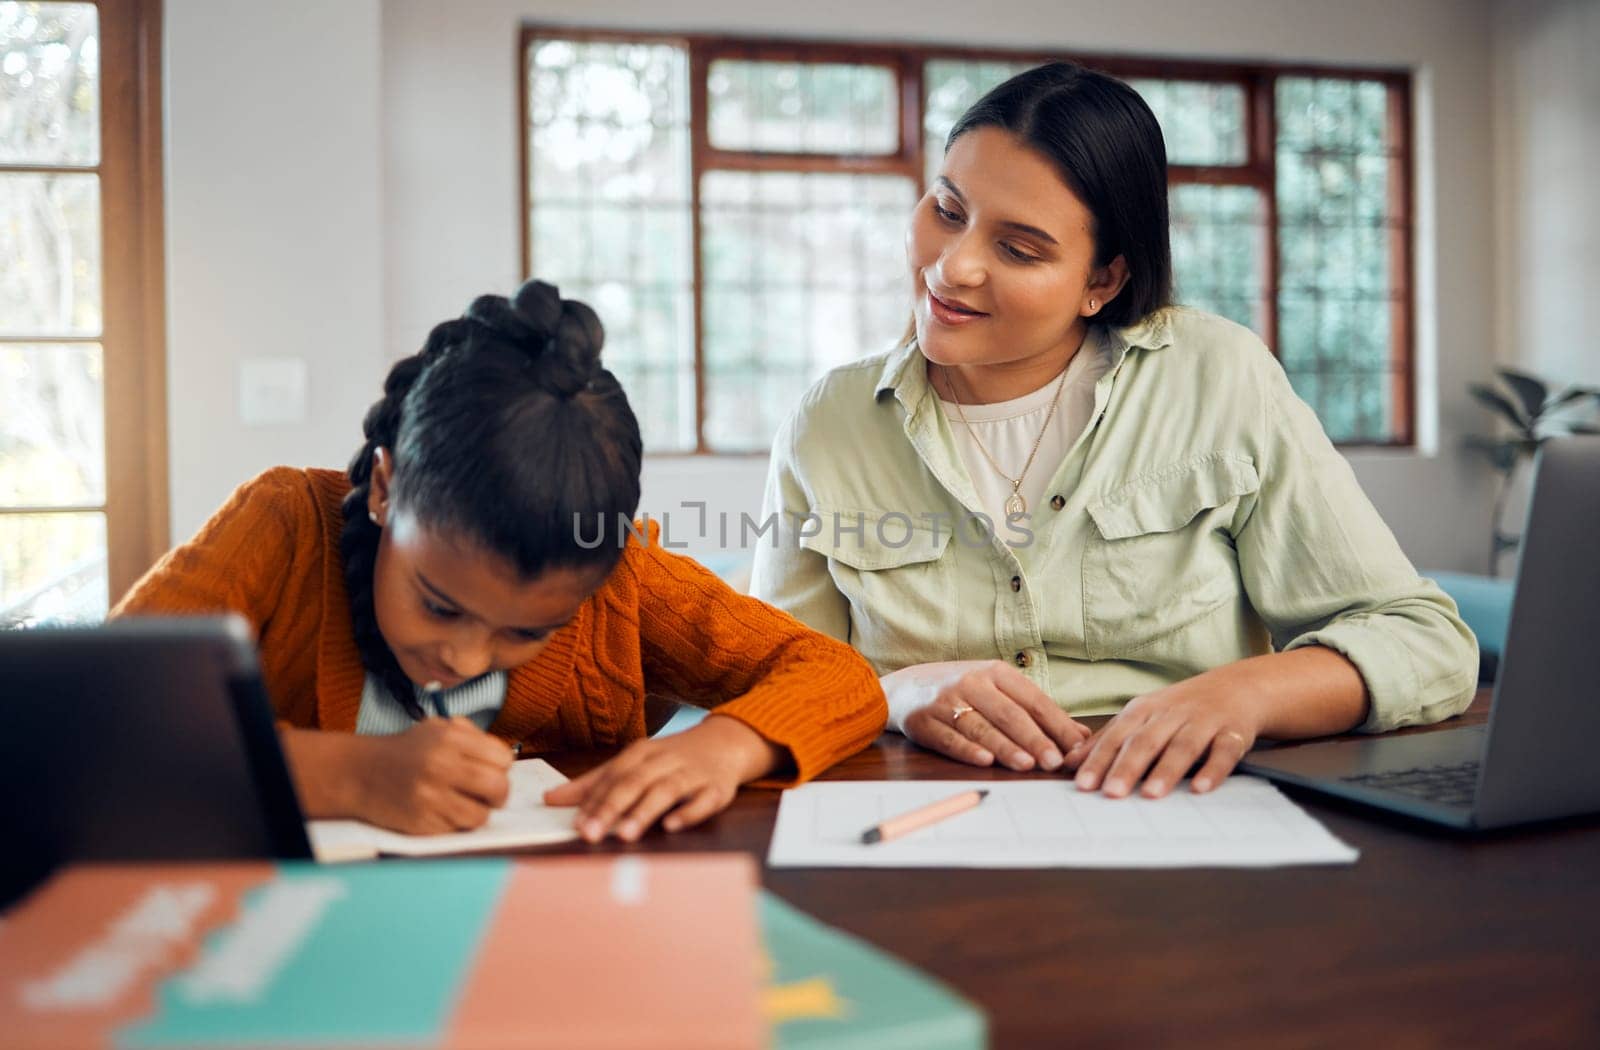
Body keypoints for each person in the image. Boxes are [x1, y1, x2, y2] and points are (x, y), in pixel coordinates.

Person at [750, 62, 1476, 801]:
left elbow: (1422, 639)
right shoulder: (830, 422)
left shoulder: (1217, 378)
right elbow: (772, 677)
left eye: (1018, 249)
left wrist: (1241, 695)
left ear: (1103, 281)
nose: (954, 266)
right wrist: (899, 692)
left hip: (1182, 810)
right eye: (948, 209)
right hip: (925, 812)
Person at [116, 281, 886, 840]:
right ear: (386, 489)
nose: (464, 655)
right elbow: (96, 719)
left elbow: (838, 676)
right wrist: (347, 776)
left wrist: (723, 747)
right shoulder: (283, 526)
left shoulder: (616, 579)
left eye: (526, 632)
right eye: (440, 604)